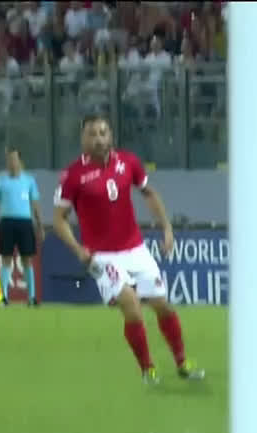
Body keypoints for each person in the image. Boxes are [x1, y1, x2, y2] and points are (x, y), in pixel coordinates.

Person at [52, 116, 205, 384]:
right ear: (83, 139)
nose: (99, 139)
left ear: (111, 135)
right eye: (92, 134)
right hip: (102, 256)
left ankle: (182, 362)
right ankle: (148, 369)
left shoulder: (129, 162)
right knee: (131, 304)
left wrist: (166, 228)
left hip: (136, 250)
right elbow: (59, 219)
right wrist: (78, 249)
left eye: (103, 133)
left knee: (162, 305)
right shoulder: (73, 176)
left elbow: (148, 193)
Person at [0, 146, 44, 306]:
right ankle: (3, 296)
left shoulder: (29, 180)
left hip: (25, 222)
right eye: (9, 160)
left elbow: (35, 203)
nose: (11, 163)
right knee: (6, 259)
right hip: (6, 222)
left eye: (14, 159)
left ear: (20, 161)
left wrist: (40, 224)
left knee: (27, 260)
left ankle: (31, 297)